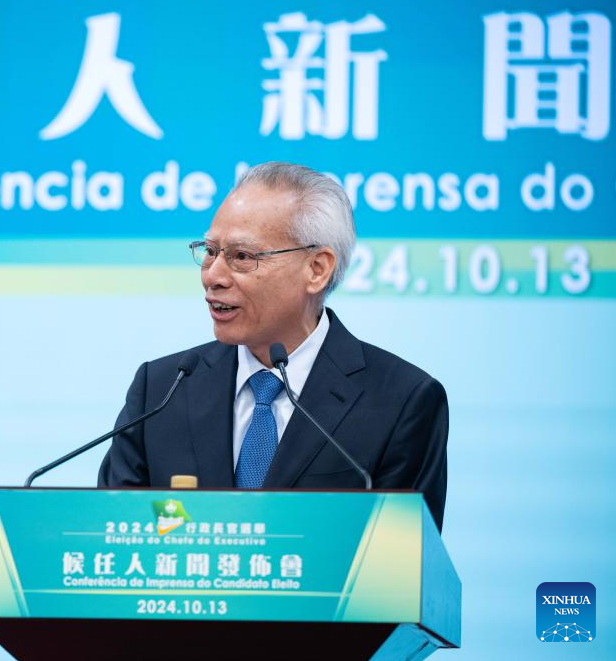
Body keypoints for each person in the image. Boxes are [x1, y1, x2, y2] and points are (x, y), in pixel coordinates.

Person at [98, 162, 449, 531]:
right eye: (210, 250)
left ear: (317, 269)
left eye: (242, 257)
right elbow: (117, 537)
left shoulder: (401, 402)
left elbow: (402, 569)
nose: (213, 276)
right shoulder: (162, 389)